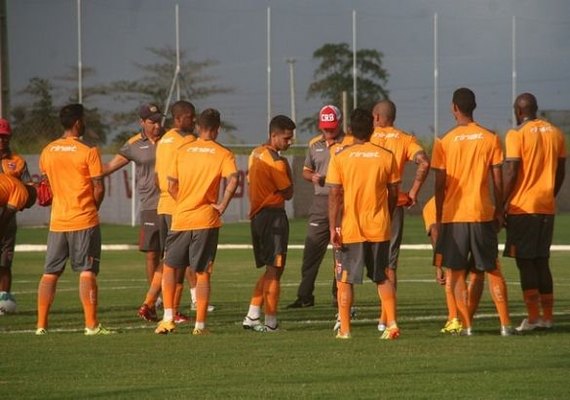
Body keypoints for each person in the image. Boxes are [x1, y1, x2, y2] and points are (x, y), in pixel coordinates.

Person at [431, 88, 513, 336]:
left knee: (455, 272)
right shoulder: (490, 137)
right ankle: (505, 325)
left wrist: (438, 216)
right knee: (492, 268)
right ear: (474, 106)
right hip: (482, 213)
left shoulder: (443, 141)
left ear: (454, 108)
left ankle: (467, 326)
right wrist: (499, 209)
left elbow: (439, 183)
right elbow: (497, 179)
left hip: (454, 216)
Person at [154, 108, 239, 335]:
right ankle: (200, 325)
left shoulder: (183, 150)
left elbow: (171, 184)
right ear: (217, 129)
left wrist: (183, 201)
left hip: (181, 217)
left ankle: (167, 318)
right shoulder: (223, 153)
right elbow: (233, 179)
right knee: (202, 272)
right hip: (206, 220)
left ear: (198, 127)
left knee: (170, 267)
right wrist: (222, 205)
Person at [36, 103, 111, 335]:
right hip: (84, 219)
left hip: (58, 220)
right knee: (87, 270)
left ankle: (41, 326)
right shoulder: (88, 150)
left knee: (50, 272)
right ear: (78, 122)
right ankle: (91, 325)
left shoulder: (48, 150)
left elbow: (46, 185)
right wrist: (92, 208)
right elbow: (98, 186)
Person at [327, 108, 400, 340]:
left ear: (349, 130)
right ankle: (392, 324)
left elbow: (335, 195)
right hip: (379, 226)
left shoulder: (339, 156)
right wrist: (385, 214)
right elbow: (394, 193)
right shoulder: (386, 155)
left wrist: (333, 227)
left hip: (351, 229)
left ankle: (345, 330)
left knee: (345, 279)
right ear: (372, 129)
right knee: (382, 276)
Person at [503, 93, 566, 332]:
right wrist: (550, 194)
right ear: (536, 109)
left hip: (523, 208)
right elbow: (561, 171)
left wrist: (502, 203)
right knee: (542, 261)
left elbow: (511, 171)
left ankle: (533, 317)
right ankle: (548, 317)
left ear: (518, 112)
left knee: (525, 262)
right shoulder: (556, 133)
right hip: (546, 207)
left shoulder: (515, 134)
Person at [103, 104, 172, 321]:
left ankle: (177, 300)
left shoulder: (171, 139)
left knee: (175, 255)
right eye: (152, 122)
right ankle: (156, 299)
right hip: (150, 205)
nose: (157, 126)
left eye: (159, 121)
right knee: (153, 254)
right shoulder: (133, 144)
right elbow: (108, 168)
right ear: (141, 122)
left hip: (173, 203)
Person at [370, 100, 430, 332]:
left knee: (352, 259)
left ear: (376, 117)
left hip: (366, 205)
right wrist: (413, 191)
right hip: (392, 204)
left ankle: (342, 320)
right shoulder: (406, 139)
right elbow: (423, 162)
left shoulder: (367, 137)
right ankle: (386, 319)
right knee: (390, 264)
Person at [153, 100, 216, 323]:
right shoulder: (187, 141)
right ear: (178, 118)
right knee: (187, 262)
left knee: (170, 260)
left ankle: (156, 304)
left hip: (164, 204)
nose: (194, 119)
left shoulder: (163, 141)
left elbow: (158, 175)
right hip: (181, 207)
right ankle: (171, 304)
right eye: (190, 116)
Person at [287, 105, 353, 309]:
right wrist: (313, 176)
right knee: (312, 250)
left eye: (332, 127)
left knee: (341, 251)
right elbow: (306, 171)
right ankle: (305, 295)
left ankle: (339, 296)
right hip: (320, 202)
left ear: (340, 123)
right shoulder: (314, 144)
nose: (329, 132)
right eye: (325, 128)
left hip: (344, 202)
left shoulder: (351, 142)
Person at [242, 115, 295, 333]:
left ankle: (252, 315)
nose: (290, 142)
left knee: (271, 269)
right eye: (286, 138)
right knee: (275, 269)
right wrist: (287, 170)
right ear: (274, 135)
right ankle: (271, 322)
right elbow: (289, 192)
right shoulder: (276, 161)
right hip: (272, 216)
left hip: (259, 217)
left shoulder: (255, 153)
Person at [422, 196, 484, 334]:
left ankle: (456, 320)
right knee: (478, 273)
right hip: (479, 229)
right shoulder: (473, 196)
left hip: (457, 244)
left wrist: (438, 266)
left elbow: (435, 233)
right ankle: (466, 321)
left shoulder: (432, 205)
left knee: (453, 274)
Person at [0, 118, 32, 298]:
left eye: (4, 137)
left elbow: (28, 188)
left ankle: (4, 297)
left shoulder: (18, 161)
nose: (1, 141)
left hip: (9, 217)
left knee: (5, 259)